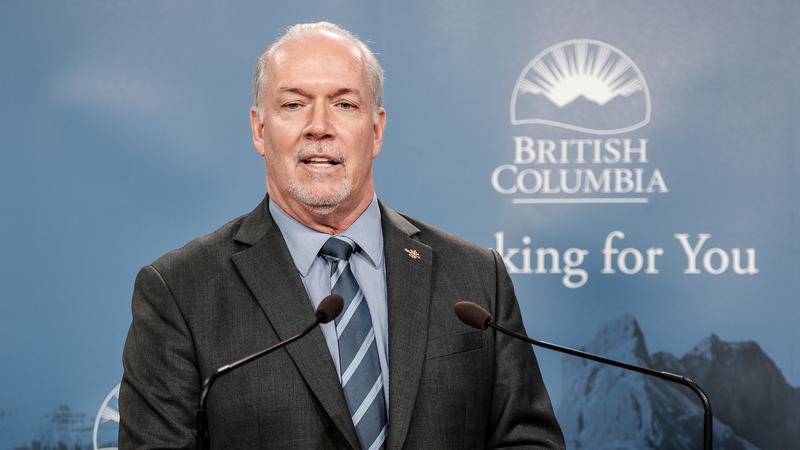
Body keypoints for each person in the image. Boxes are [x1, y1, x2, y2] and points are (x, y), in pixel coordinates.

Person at [119, 22, 564, 450]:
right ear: (259, 129)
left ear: (376, 130)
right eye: (294, 105)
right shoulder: (180, 291)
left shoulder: (476, 277)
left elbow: (527, 440)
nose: (319, 126)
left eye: (344, 105)